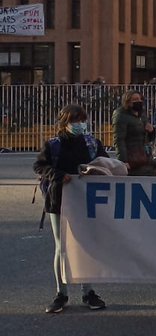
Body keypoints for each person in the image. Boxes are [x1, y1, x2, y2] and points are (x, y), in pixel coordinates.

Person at [34, 104, 108, 314]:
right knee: (61, 247)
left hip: (86, 200)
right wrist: (58, 175)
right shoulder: (53, 145)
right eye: (75, 121)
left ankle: (88, 291)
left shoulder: (92, 143)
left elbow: (105, 164)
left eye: (82, 120)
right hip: (58, 199)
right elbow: (39, 166)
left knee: (86, 245)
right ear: (64, 122)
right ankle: (61, 293)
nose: (79, 124)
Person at [112, 89, 156, 176]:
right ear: (127, 102)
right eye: (135, 99)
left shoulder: (141, 115)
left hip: (144, 155)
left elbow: (148, 138)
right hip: (132, 157)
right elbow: (119, 140)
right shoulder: (121, 115)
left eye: (140, 99)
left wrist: (151, 131)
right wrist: (123, 161)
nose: (139, 101)